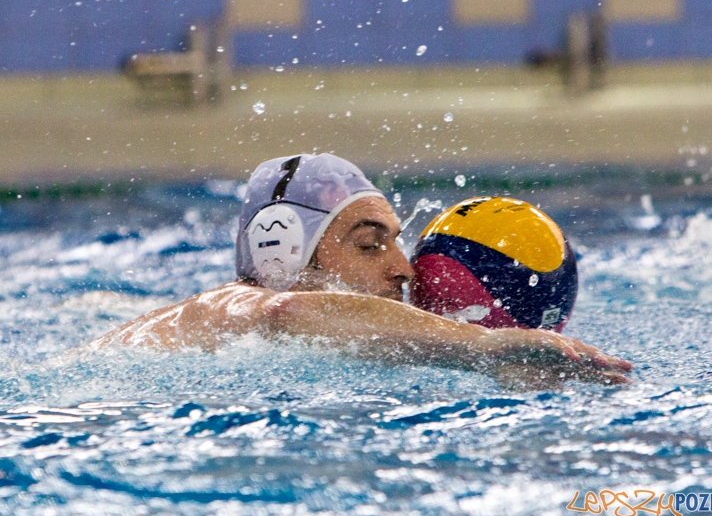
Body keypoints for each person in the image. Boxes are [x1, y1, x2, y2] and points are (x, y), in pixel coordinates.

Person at [89, 153, 632, 389]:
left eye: (398, 243)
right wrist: (483, 347)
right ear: (281, 254)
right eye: (371, 246)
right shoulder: (236, 305)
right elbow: (290, 310)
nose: (405, 269)